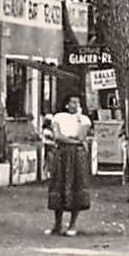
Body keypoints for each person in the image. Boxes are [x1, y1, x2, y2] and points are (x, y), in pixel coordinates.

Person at [42, 94, 93, 236]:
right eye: (72, 102)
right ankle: (57, 225)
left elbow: (81, 136)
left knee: (76, 185)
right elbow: (57, 136)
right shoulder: (58, 117)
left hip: (77, 156)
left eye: (77, 102)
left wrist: (74, 139)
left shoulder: (84, 119)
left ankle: (72, 225)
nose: (74, 105)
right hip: (62, 154)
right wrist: (75, 141)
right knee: (58, 185)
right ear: (66, 104)